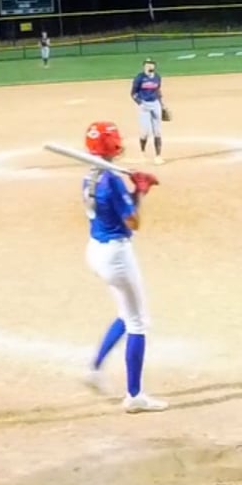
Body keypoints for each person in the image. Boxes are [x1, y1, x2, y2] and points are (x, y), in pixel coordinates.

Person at [78, 120, 166, 413]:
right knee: (138, 322)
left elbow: (116, 209)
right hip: (116, 255)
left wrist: (136, 191)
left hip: (96, 250)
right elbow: (133, 222)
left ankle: (94, 369)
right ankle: (135, 395)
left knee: (126, 314)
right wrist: (140, 192)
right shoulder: (112, 180)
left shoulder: (90, 176)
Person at [130, 58, 165, 163]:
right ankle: (142, 153)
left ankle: (158, 156)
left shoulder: (157, 77)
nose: (150, 66)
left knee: (157, 132)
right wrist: (140, 103)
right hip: (144, 105)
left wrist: (162, 105)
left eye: (151, 64)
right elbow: (133, 93)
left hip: (155, 104)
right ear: (144, 66)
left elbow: (158, 91)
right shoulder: (139, 78)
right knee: (144, 132)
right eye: (147, 64)